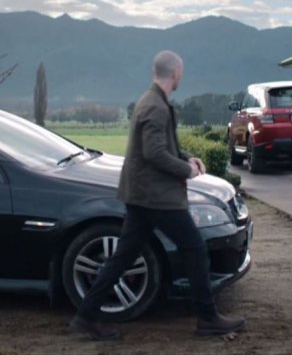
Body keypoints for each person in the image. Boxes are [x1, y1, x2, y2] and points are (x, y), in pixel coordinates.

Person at [69, 50, 246, 341]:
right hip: (156, 196)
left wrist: (187, 157)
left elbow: (161, 146)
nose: (181, 76)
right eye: (181, 72)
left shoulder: (152, 101)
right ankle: (208, 318)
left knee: (123, 256)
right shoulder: (156, 106)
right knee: (194, 248)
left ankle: (86, 317)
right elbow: (154, 153)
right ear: (175, 73)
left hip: (143, 195)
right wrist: (186, 170)